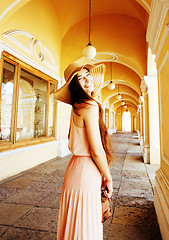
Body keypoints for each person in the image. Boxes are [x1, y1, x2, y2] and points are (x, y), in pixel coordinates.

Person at [55, 62, 113, 240]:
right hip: (87, 170)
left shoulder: (77, 107)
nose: (87, 79)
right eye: (80, 78)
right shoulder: (90, 106)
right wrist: (108, 177)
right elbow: (96, 150)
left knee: (75, 222)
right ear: (74, 85)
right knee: (86, 225)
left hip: (74, 169)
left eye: (88, 74)